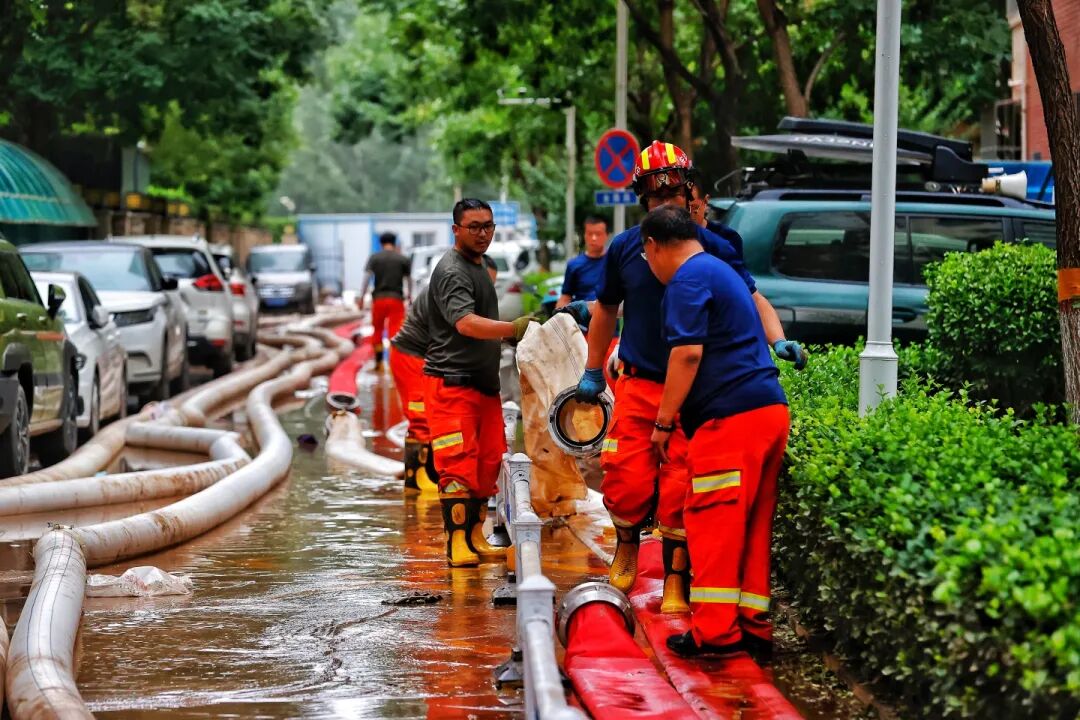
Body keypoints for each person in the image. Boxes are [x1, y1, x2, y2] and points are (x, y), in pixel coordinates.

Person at [574, 140, 806, 613]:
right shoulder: (625, 249)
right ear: (643, 199)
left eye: (672, 195)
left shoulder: (715, 249)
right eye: (654, 198)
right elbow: (605, 310)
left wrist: (776, 338)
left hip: (693, 391)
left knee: (684, 484)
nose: (664, 204)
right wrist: (593, 369)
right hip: (639, 384)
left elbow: (750, 298)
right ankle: (626, 549)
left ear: (689, 192)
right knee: (624, 476)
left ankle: (677, 578)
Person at [639, 204, 789, 660]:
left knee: (714, 523)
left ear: (653, 246)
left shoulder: (687, 280)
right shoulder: (720, 270)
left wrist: (663, 422)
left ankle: (716, 633)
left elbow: (686, 356)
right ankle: (752, 626)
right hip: (767, 412)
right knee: (753, 524)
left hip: (730, 422)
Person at [425, 199, 536, 567]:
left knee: (487, 463)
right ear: (455, 229)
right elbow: (466, 324)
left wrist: (509, 336)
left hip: (482, 388)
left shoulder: (478, 267)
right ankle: (456, 542)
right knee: (457, 465)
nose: (482, 232)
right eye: (473, 226)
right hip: (452, 387)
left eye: (487, 225)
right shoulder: (453, 270)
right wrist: (512, 329)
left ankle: (475, 534)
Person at [390, 255, 498, 496]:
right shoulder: (450, 289)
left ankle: (425, 474)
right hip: (412, 357)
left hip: (422, 358)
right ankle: (416, 479)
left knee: (432, 420)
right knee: (422, 419)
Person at [359, 232, 412, 371]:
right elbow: (409, 280)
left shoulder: (374, 258)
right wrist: (410, 296)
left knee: (377, 330)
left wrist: (362, 297)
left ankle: (379, 363)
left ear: (381, 243)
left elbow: (366, 278)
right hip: (396, 300)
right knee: (395, 332)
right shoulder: (402, 259)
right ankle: (395, 363)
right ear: (394, 243)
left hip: (379, 299)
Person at [556, 216, 608, 310]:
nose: (594, 238)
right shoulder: (574, 265)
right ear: (584, 235)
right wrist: (558, 316)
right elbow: (566, 296)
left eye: (598, 234)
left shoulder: (615, 261)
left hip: (609, 320)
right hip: (581, 321)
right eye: (590, 234)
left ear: (606, 235)